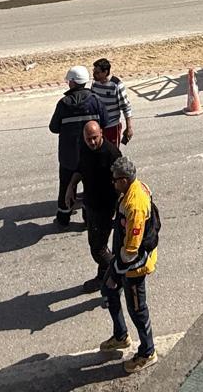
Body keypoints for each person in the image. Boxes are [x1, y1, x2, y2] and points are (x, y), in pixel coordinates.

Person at [100, 154, 159, 374]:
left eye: (115, 179)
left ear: (124, 179)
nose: (113, 182)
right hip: (124, 258)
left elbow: (132, 250)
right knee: (107, 289)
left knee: (138, 310)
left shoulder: (135, 204)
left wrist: (116, 272)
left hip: (134, 265)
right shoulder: (132, 189)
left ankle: (147, 352)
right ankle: (121, 336)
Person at [49, 65, 104, 228]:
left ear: (72, 83)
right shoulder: (95, 101)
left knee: (65, 186)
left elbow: (53, 128)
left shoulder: (63, 103)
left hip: (68, 156)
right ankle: (88, 219)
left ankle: (63, 218)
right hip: (90, 155)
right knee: (89, 187)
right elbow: (105, 122)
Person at [79, 119, 123, 291]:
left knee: (98, 249)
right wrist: (70, 188)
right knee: (96, 245)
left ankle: (119, 275)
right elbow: (80, 169)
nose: (92, 142)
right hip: (90, 205)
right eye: (88, 138)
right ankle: (103, 276)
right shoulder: (85, 148)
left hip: (105, 209)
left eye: (95, 138)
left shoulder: (112, 153)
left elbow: (124, 181)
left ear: (102, 134)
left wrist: (119, 206)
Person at [90, 57, 133, 145]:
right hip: (98, 127)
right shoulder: (95, 83)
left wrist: (129, 127)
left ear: (105, 72)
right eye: (94, 71)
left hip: (112, 127)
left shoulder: (116, 85)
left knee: (112, 155)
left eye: (97, 72)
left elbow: (126, 107)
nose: (94, 74)